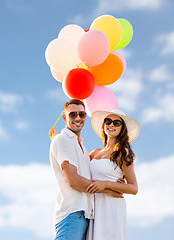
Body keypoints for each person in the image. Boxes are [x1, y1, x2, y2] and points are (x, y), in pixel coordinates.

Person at [49, 99, 123, 240]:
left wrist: (115, 178)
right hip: (72, 214)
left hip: (85, 215)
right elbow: (74, 181)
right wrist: (110, 190)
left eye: (82, 114)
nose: (78, 118)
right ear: (65, 117)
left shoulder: (82, 147)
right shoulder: (63, 140)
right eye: (73, 114)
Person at [85, 110, 140, 240]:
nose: (111, 125)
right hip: (92, 206)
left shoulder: (122, 152)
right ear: (103, 125)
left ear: (122, 128)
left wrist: (105, 184)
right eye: (108, 121)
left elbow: (133, 188)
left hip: (111, 206)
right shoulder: (94, 153)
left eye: (117, 123)